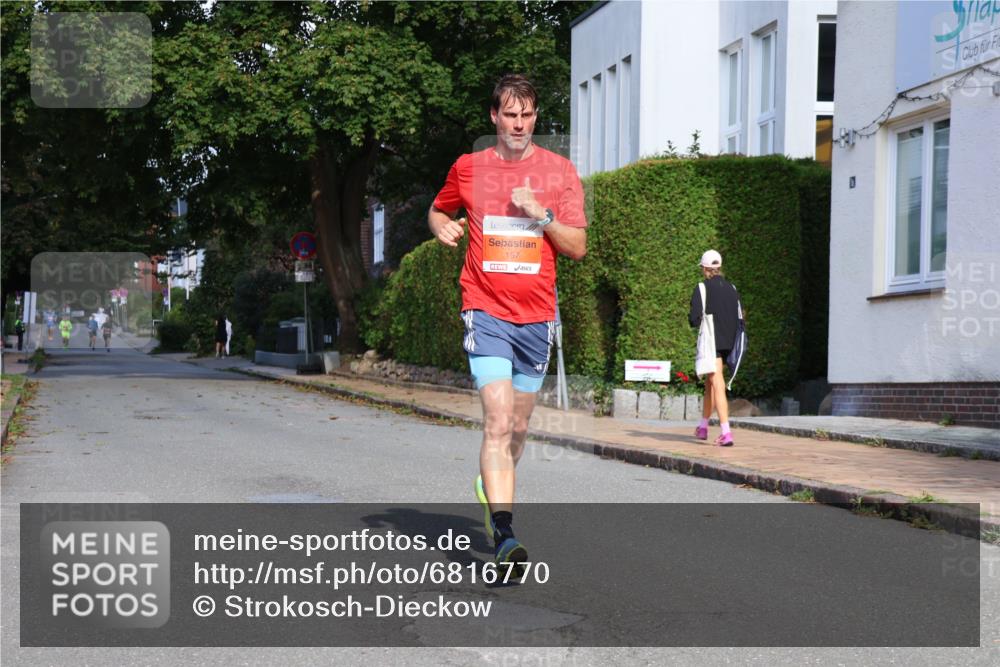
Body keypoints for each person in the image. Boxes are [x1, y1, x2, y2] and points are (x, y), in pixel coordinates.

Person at [428, 74, 587, 571]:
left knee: (517, 428)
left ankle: (490, 484)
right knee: (497, 421)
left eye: (527, 115)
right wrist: (442, 227)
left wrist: (540, 215)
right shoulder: (469, 168)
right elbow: (438, 209)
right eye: (510, 115)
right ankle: (504, 534)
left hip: (537, 318)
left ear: (535, 117)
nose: (519, 124)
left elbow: (577, 247)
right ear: (494, 116)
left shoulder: (560, 172)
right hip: (485, 308)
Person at [689, 250, 744, 447]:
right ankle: (703, 427)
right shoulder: (732, 287)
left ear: (705, 268)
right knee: (710, 383)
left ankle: (726, 432)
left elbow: (694, 319)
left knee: (717, 382)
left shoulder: (702, 288)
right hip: (729, 340)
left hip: (712, 340)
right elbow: (740, 316)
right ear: (718, 267)